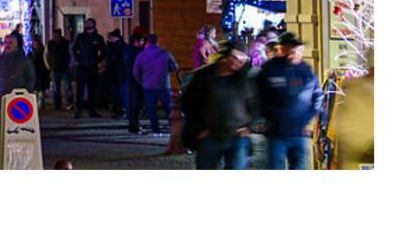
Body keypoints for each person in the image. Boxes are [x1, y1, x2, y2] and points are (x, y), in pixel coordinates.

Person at [182, 41, 259, 170]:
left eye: (243, 58)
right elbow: (188, 102)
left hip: (237, 136)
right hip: (209, 135)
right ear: (225, 58)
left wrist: (248, 126)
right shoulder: (205, 77)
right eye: (237, 57)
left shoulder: (244, 78)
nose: (240, 62)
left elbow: (254, 102)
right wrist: (199, 129)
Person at [259, 31, 321, 171]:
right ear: (281, 49)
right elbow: (258, 96)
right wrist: (271, 117)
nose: (294, 54)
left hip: (299, 133)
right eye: (290, 49)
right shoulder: (270, 70)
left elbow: (317, 96)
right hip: (276, 134)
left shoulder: (306, 70)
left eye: (297, 50)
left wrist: (307, 118)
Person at [131, 33, 179, 135]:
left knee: (151, 109)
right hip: (163, 85)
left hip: (148, 85)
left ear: (147, 42)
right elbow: (174, 68)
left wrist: (142, 82)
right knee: (168, 108)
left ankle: (156, 131)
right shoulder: (165, 53)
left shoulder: (141, 55)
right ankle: (173, 129)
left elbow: (135, 72)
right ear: (157, 42)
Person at [72, 18, 105, 117]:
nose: (87, 25)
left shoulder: (98, 38)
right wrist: (78, 59)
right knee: (80, 89)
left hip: (92, 67)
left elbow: (103, 50)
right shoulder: (81, 37)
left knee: (92, 90)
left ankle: (92, 110)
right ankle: (78, 110)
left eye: (89, 23)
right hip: (82, 67)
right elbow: (74, 49)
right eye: (86, 23)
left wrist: (97, 60)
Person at [48, 29, 72, 110]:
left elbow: (71, 54)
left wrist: (70, 65)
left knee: (67, 87)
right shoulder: (50, 44)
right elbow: (46, 55)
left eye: (56, 35)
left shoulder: (66, 43)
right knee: (56, 88)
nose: (54, 36)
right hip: (54, 68)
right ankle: (57, 104)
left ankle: (69, 102)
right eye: (53, 35)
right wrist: (49, 66)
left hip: (65, 68)